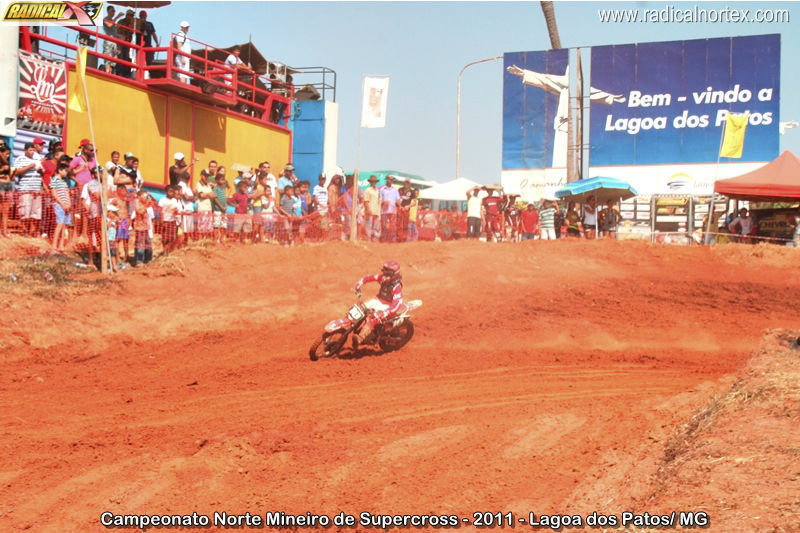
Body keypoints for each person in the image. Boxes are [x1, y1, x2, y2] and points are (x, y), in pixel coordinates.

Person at [353, 260, 404, 345]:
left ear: (393, 274)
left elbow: (397, 303)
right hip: (378, 300)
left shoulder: (397, 287)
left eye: (387, 272)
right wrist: (360, 283)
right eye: (384, 270)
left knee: (373, 318)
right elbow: (369, 277)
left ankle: (360, 338)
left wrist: (385, 312)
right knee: (361, 308)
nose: (384, 274)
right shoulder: (382, 278)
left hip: (388, 307)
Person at [14, 142, 45, 237]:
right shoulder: (20, 159)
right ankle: (24, 230)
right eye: (30, 150)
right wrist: (29, 167)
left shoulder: (37, 159)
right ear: (25, 150)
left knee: (35, 212)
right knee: (25, 210)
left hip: (36, 189)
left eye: (33, 150)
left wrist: (40, 170)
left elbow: (43, 173)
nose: (32, 152)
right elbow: (16, 172)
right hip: (25, 189)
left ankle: (33, 231)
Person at [158, 185, 181, 254]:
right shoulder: (162, 200)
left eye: (173, 192)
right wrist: (162, 220)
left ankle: (170, 250)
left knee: (172, 237)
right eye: (170, 191)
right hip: (166, 220)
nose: (172, 193)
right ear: (166, 192)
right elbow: (160, 211)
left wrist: (176, 211)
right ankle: (165, 250)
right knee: (165, 237)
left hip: (173, 221)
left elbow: (176, 209)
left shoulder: (174, 200)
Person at [102, 6, 123, 74]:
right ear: (108, 11)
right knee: (108, 59)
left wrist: (119, 44)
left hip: (114, 43)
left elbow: (114, 34)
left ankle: (111, 73)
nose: (113, 12)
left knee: (113, 61)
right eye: (112, 11)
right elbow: (109, 25)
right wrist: (117, 17)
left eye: (114, 11)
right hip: (108, 42)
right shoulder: (105, 19)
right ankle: (107, 73)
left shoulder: (113, 22)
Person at [379, 175, 400, 242]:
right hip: (384, 211)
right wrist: (384, 202)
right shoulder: (382, 190)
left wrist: (399, 204)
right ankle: (384, 240)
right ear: (386, 180)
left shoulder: (395, 190)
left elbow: (398, 200)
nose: (390, 181)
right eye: (389, 179)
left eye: (391, 180)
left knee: (393, 226)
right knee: (384, 226)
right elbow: (379, 200)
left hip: (393, 211)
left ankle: (392, 240)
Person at [364, 175, 381, 241]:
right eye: (372, 182)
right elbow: (366, 201)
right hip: (370, 210)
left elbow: (378, 201)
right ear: (370, 182)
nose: (374, 183)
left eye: (375, 182)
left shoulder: (377, 191)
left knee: (376, 227)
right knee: (368, 226)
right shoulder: (367, 190)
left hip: (376, 211)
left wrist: (378, 211)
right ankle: (368, 239)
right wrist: (368, 209)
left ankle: (375, 240)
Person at [0, 144, 12, 237]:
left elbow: (9, 175)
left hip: (8, 185)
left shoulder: (7, 163)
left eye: (9, 154)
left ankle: (5, 230)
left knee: (6, 211)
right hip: (1, 185)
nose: (8, 156)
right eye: (6, 154)